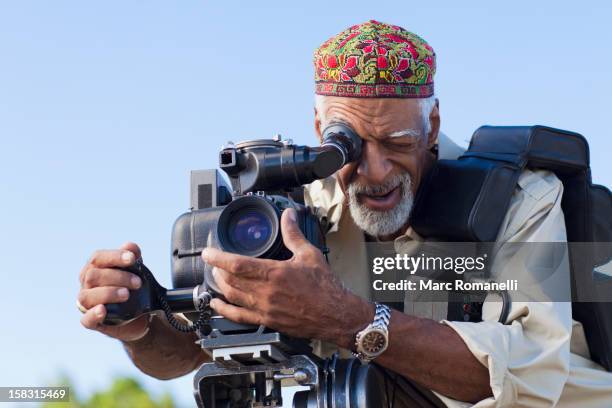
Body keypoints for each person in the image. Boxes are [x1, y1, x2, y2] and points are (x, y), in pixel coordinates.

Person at [77, 20, 612, 406]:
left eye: (398, 141)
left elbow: (534, 376)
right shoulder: (291, 215)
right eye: (349, 144)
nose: (376, 171)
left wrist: (345, 318)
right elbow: (195, 353)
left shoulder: (521, 198)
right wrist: (140, 326)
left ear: (432, 125)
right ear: (317, 128)